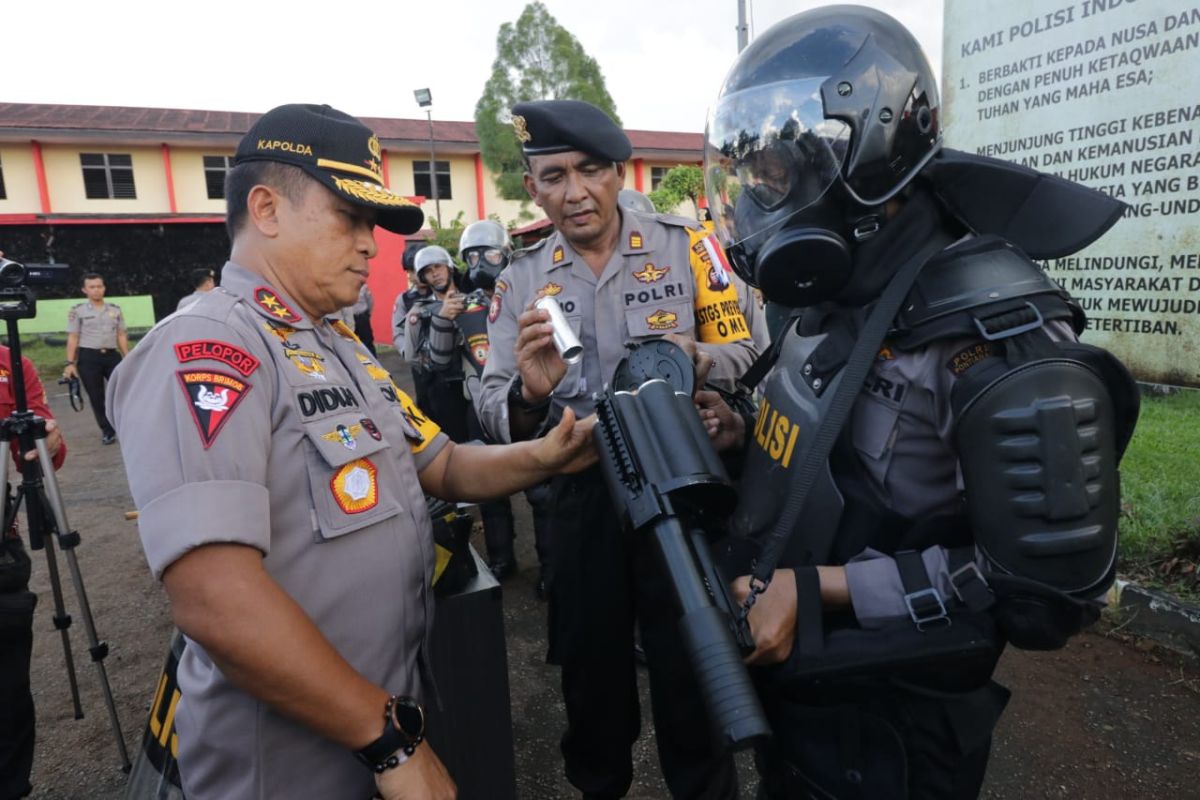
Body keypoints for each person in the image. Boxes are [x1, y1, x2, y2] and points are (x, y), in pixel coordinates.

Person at [695, 8, 1139, 798]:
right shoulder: (837, 291)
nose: (763, 199)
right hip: (801, 696)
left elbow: (1043, 598)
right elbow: (831, 437)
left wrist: (820, 588)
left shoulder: (999, 338)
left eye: (776, 173)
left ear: (862, 151)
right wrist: (746, 429)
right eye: (753, 177)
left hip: (896, 734)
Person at [105, 103, 596, 800]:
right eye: (351, 218)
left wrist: (547, 454)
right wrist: (391, 742)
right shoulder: (212, 348)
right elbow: (214, 596)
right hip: (288, 764)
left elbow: (445, 464)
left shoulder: (338, 346)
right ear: (267, 208)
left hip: (373, 725)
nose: (372, 245)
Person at [476, 99, 759, 799]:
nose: (574, 193)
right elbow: (489, 402)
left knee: (694, 677)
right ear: (533, 187)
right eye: (553, 176)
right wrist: (531, 399)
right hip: (581, 496)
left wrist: (694, 360)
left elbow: (749, 347)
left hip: (684, 486)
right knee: (592, 685)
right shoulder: (520, 281)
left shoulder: (688, 248)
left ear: (618, 171)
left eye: (590, 171)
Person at [0, 323, 67, 800]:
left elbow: (45, 454)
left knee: (7, 696)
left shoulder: (13, 363)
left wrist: (50, 442)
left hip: (2, 553)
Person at [404, 246, 470, 444]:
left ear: (449, 267)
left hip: (477, 384)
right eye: (428, 271)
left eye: (437, 267)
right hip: (443, 391)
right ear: (423, 278)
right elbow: (410, 355)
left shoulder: (475, 300)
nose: (434, 273)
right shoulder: (418, 312)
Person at [63, 273, 127, 444]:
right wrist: (69, 363)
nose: (96, 290)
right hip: (89, 357)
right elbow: (73, 337)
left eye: (99, 286)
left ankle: (126, 426)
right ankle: (107, 431)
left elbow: (121, 334)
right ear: (85, 290)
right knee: (97, 396)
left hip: (112, 356)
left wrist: (127, 357)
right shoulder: (78, 311)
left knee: (122, 393)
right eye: (92, 287)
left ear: (104, 288)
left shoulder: (115, 309)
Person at [350, 282, 376, 356]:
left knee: (367, 342)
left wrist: (368, 314)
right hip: (351, 319)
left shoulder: (363, 287)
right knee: (352, 342)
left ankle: (373, 362)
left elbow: (370, 301)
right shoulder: (345, 287)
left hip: (362, 317)